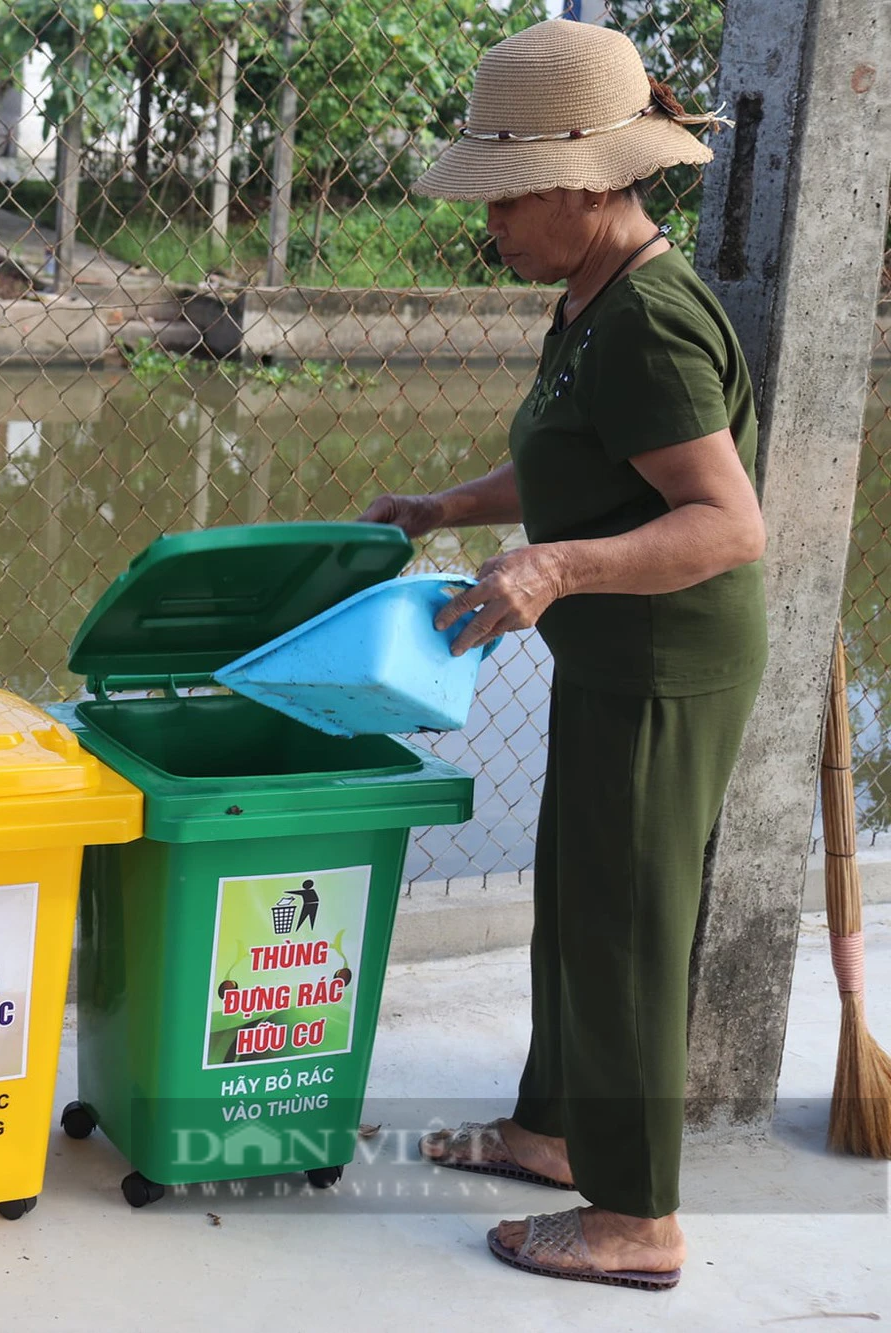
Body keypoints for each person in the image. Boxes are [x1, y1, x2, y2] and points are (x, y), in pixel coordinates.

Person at [361, 19, 767, 1292]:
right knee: (573, 903)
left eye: (503, 197)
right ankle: (548, 1133)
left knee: (629, 929)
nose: (487, 223)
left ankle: (633, 1219)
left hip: (661, 661)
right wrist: (442, 509)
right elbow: (563, 461)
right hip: (613, 655)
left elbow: (724, 522)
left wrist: (554, 567)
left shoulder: (648, 322)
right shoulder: (591, 297)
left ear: (583, 188)